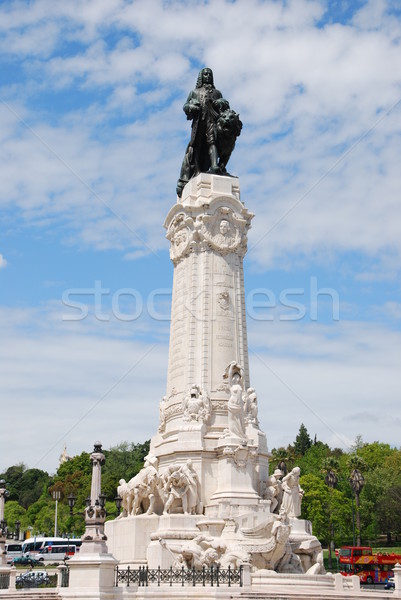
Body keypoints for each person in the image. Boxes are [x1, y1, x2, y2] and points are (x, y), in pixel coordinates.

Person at [177, 67, 228, 196]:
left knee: (213, 142)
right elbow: (186, 106)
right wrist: (191, 107)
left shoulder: (217, 93)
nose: (207, 76)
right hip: (199, 121)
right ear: (201, 77)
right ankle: (198, 170)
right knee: (197, 146)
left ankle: (214, 166)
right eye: (205, 74)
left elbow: (224, 108)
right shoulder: (194, 92)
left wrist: (221, 103)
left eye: (209, 74)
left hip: (212, 120)